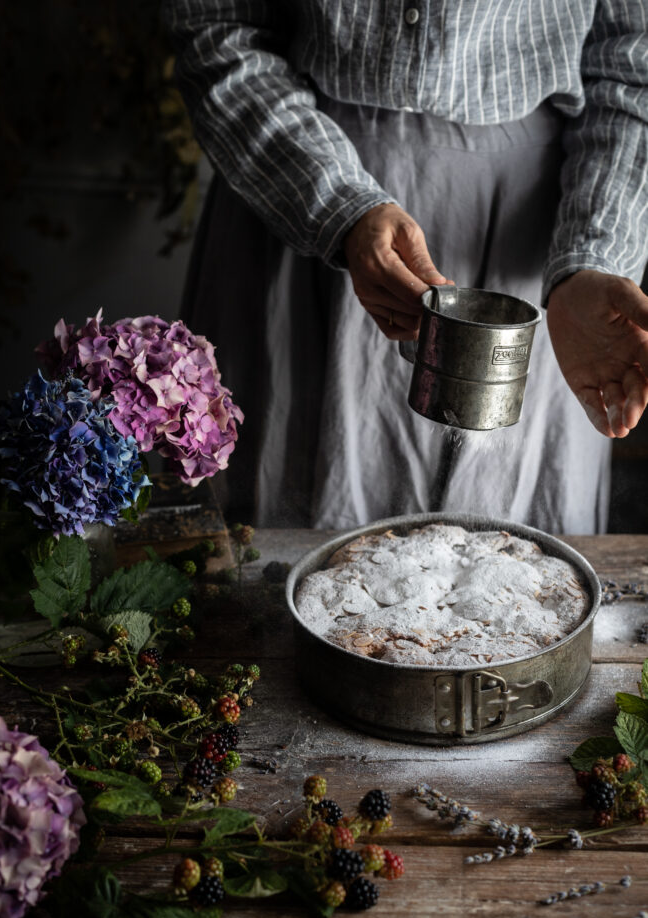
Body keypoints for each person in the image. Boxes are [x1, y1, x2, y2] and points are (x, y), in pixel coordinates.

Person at [163, 1, 648, 533]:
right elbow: (217, 26)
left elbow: (635, 66)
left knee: (509, 573)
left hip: (542, 240)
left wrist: (592, 255)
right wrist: (337, 207)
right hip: (296, 186)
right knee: (272, 548)